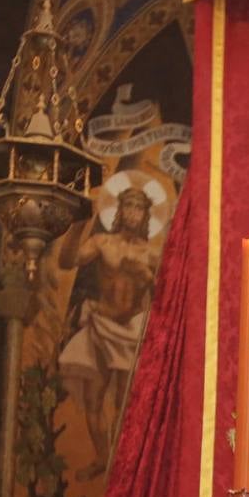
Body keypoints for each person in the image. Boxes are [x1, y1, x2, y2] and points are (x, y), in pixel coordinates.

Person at [57, 185, 160, 480]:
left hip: (131, 331)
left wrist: (149, 278)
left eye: (138, 207)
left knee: (125, 404)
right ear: (119, 211)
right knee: (94, 399)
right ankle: (103, 458)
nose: (131, 212)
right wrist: (78, 223)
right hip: (101, 325)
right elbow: (67, 261)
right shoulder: (102, 243)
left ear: (145, 214)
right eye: (127, 206)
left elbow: (166, 299)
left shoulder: (152, 255)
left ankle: (124, 466)